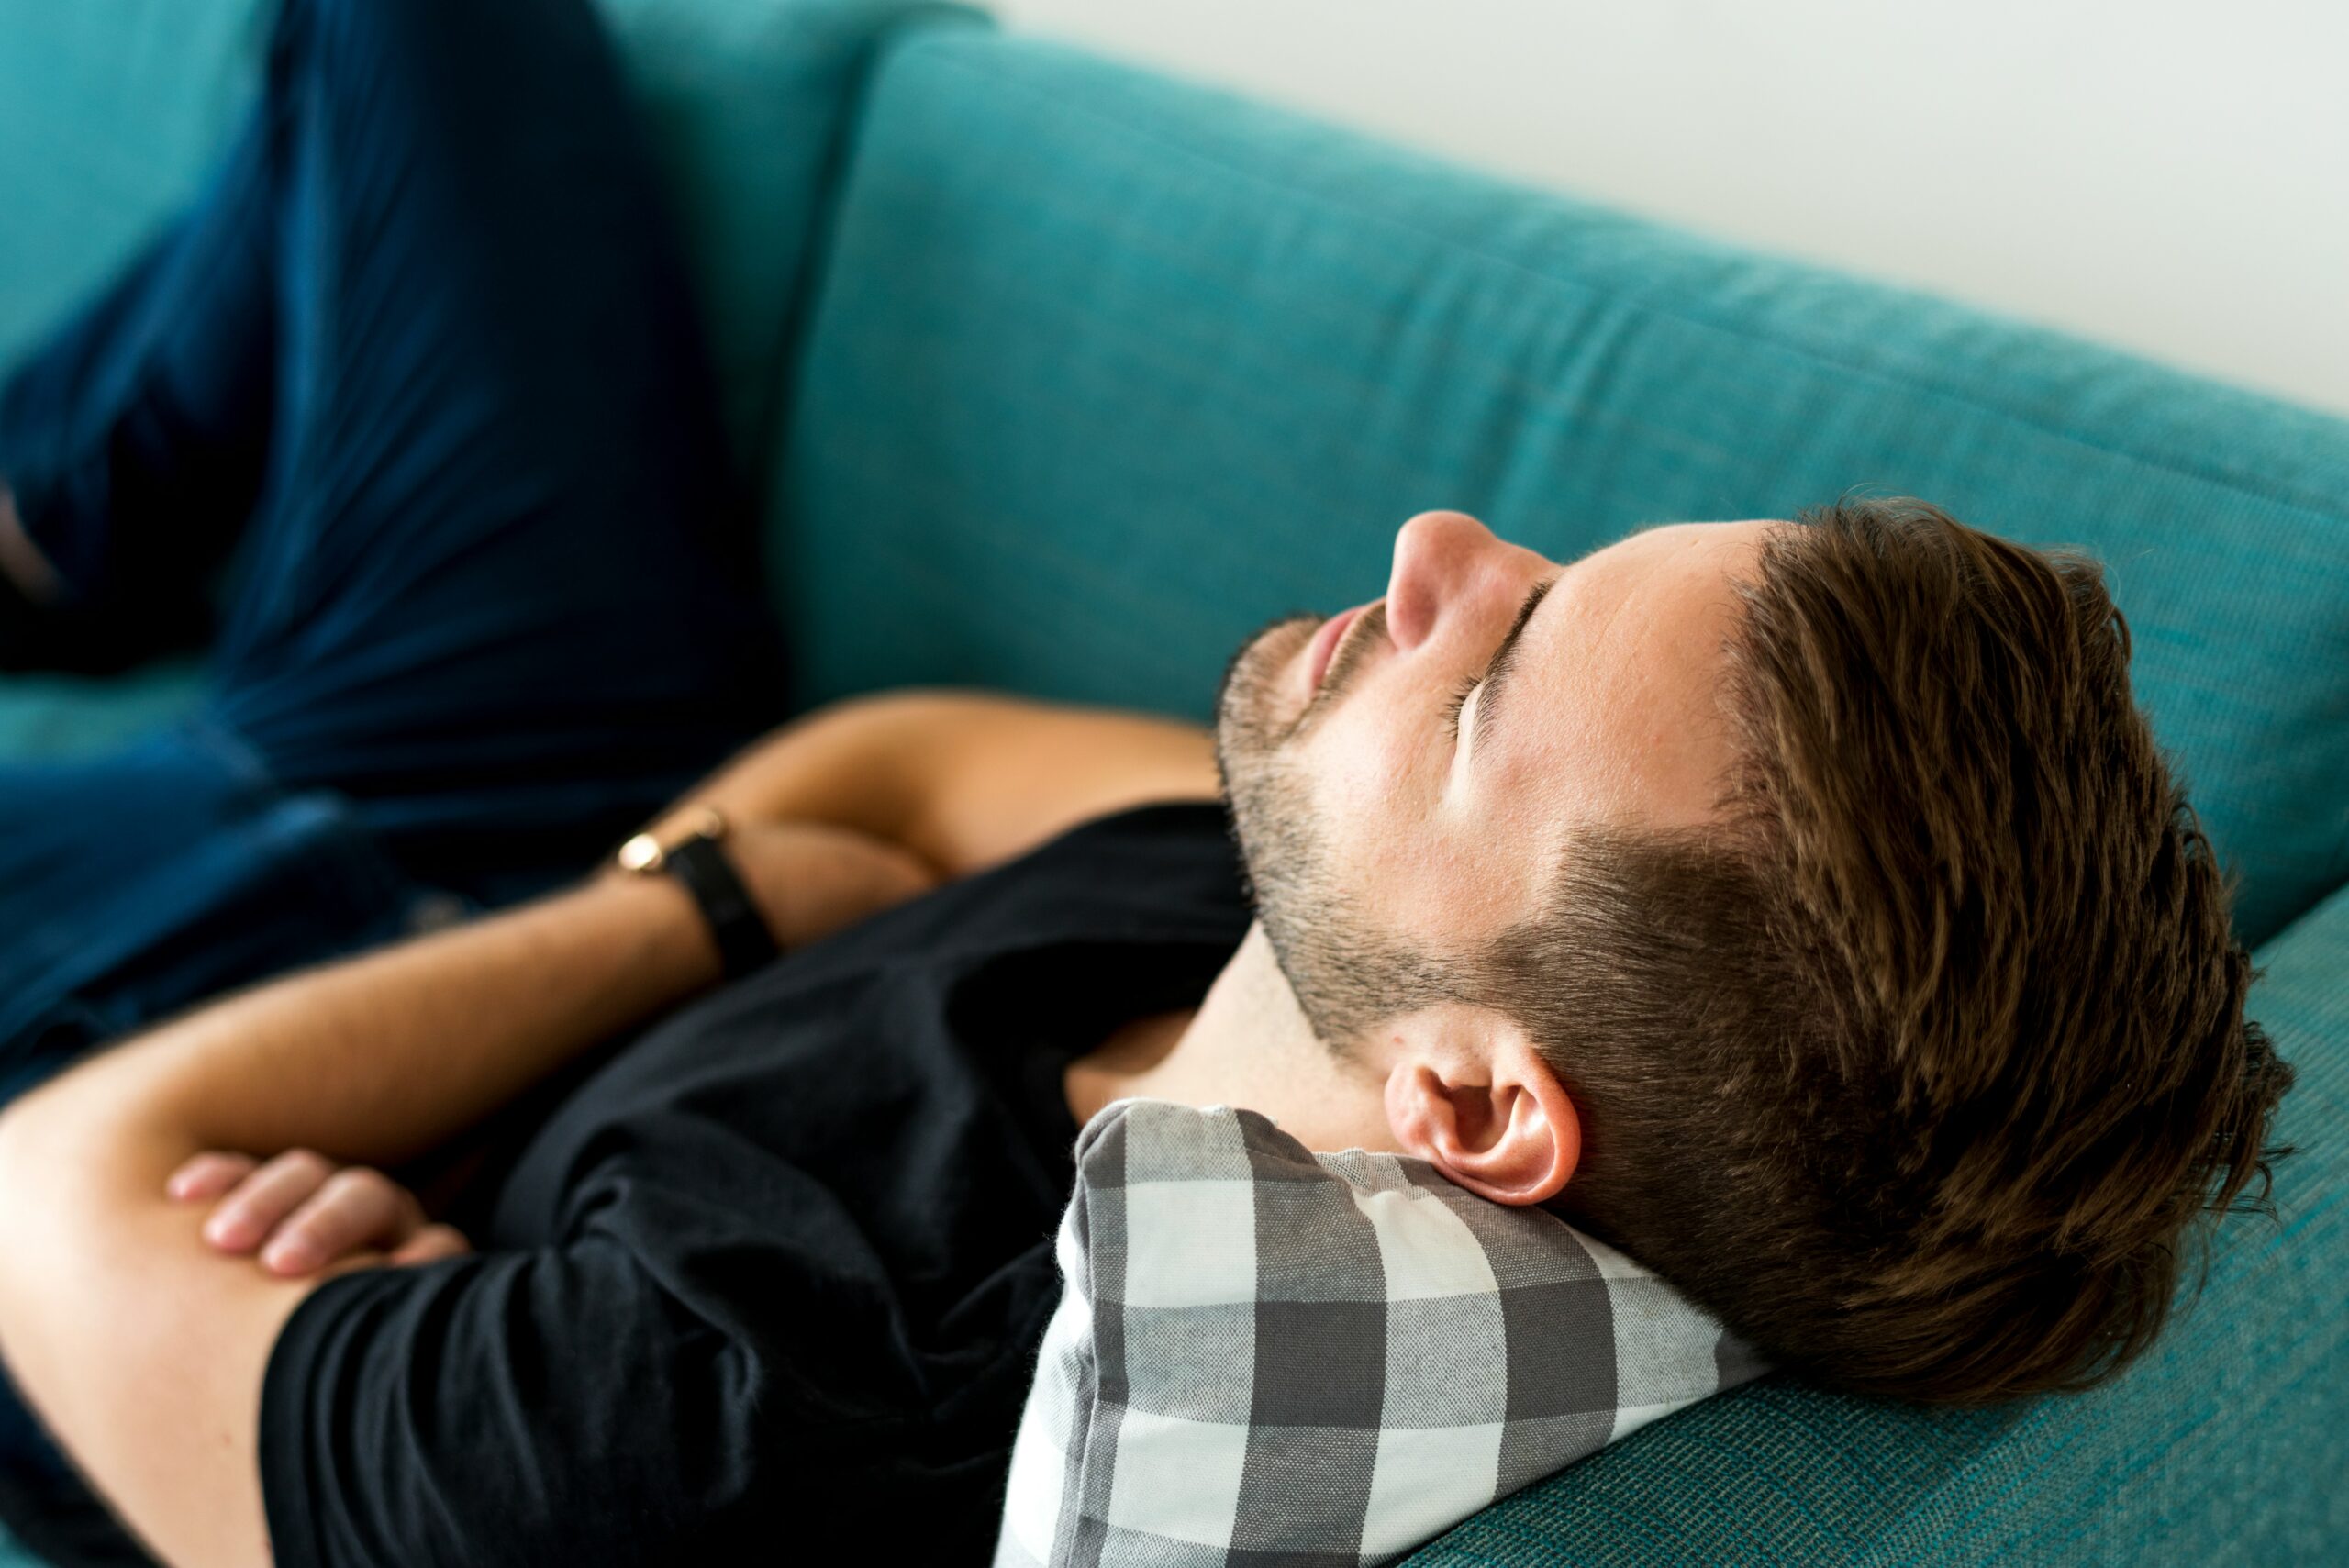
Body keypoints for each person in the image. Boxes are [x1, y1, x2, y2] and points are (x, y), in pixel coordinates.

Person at [0, 0, 2299, 1563]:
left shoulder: (742, 1406)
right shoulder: (1338, 943)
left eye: (1491, 674)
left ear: (1480, 1114)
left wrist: (710, 913)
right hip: (557, 794)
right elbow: (884, 770)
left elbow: (46, 1204)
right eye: (1548, 569)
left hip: (144, 1025)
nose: (1434, 553)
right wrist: (730, 877)